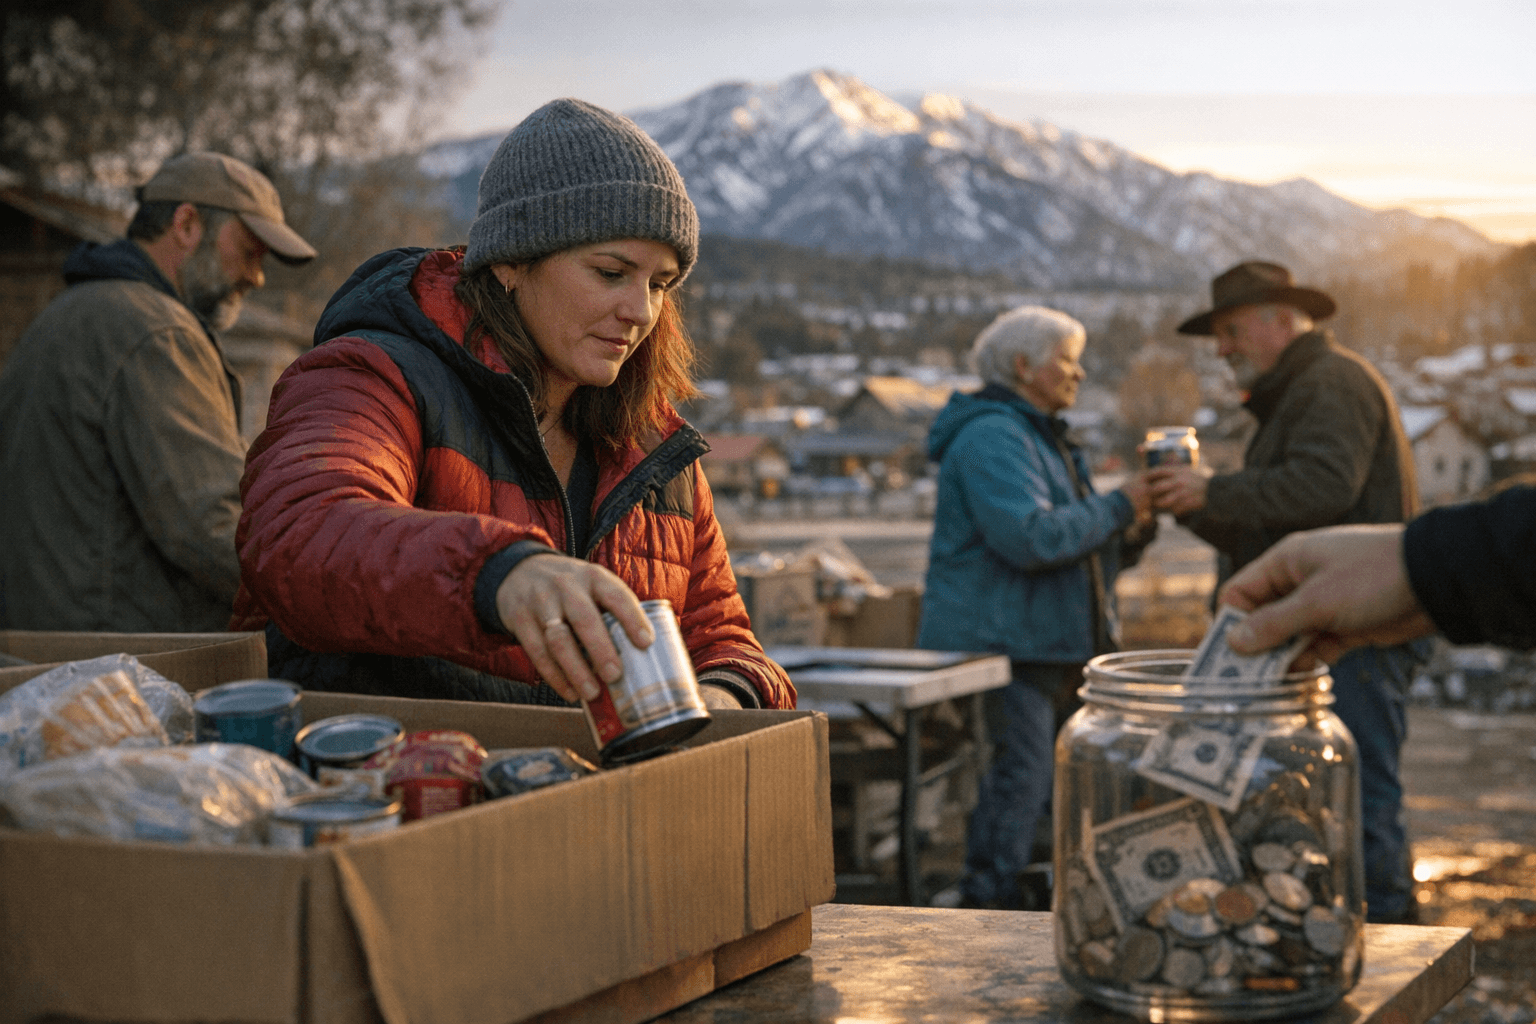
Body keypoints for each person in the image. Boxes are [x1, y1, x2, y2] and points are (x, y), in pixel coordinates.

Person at [231, 98, 793, 712]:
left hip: (590, 797)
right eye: (611, 273)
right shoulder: (374, 376)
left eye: (660, 285)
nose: (641, 311)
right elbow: (300, 533)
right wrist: (498, 574)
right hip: (389, 790)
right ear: (510, 264)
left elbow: (723, 637)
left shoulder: (658, 454)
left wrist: (722, 695)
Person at [1147, 260, 1426, 923]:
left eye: (1231, 330)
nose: (1222, 349)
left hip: (1355, 631)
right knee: (1332, 797)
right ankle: (1341, 934)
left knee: (1358, 797)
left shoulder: (1331, 382)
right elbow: (1276, 530)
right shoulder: (1304, 391)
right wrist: (1194, 504)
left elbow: (1323, 489)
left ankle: (1392, 944)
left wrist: (1214, 489)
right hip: (1329, 630)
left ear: (1281, 319)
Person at [0, 153, 316, 633]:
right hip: (122, 664)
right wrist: (332, 594)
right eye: (250, 250)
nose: (257, 276)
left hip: (48, 648)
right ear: (186, 224)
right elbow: (217, 527)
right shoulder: (157, 334)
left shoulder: (68, 312)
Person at [917, 305, 1155, 910]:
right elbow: (1033, 540)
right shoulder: (995, 435)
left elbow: (1076, 551)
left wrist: (1134, 526)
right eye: (1067, 361)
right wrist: (1121, 506)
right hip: (1011, 648)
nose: (1078, 374)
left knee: (1047, 791)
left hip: (1047, 643)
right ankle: (989, 914)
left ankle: (1031, 909)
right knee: (1019, 787)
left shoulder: (1040, 437)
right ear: (1024, 365)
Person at [1221, 484, 1536, 658]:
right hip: (1352, 621)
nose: (1221, 359)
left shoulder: (1332, 384)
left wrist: (1415, 562)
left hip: (1352, 640)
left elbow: (1328, 488)